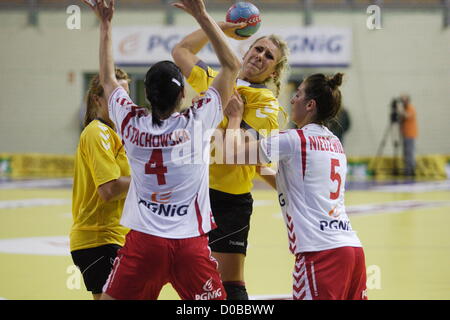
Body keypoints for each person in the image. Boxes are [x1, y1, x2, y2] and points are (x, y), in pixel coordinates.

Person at [81, 0, 241, 300]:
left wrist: (105, 25)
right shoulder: (198, 121)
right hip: (189, 245)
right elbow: (233, 65)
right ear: (183, 93)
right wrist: (202, 15)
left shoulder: (129, 122)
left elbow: (107, 79)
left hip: (145, 244)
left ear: (147, 95)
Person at [172, 16, 289, 300]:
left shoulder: (266, 104)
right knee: (193, 281)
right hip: (195, 193)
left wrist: (233, 116)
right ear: (244, 51)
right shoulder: (217, 79)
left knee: (229, 284)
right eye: (257, 49)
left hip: (228, 201)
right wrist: (225, 28)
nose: (260, 56)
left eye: (269, 56)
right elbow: (181, 51)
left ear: (274, 72)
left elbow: (233, 154)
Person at [226, 73, 367, 300]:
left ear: (310, 105)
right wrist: (257, 161)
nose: (292, 100)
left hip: (319, 253)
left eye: (298, 94)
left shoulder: (293, 139)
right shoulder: (335, 143)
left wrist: (234, 118)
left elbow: (231, 154)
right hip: (352, 250)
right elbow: (296, 186)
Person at [70, 68, 131, 300]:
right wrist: (150, 183)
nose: (122, 102)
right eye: (116, 95)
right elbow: (109, 189)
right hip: (99, 239)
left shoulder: (117, 132)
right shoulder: (97, 133)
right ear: (97, 99)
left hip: (115, 237)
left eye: (126, 96)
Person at [399, 94, 418, 176]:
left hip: (410, 134)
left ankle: (411, 170)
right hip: (405, 134)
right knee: (405, 153)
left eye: (403, 100)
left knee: (409, 152)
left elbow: (407, 116)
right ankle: (407, 169)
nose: (402, 102)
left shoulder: (410, 108)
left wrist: (400, 110)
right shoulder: (404, 109)